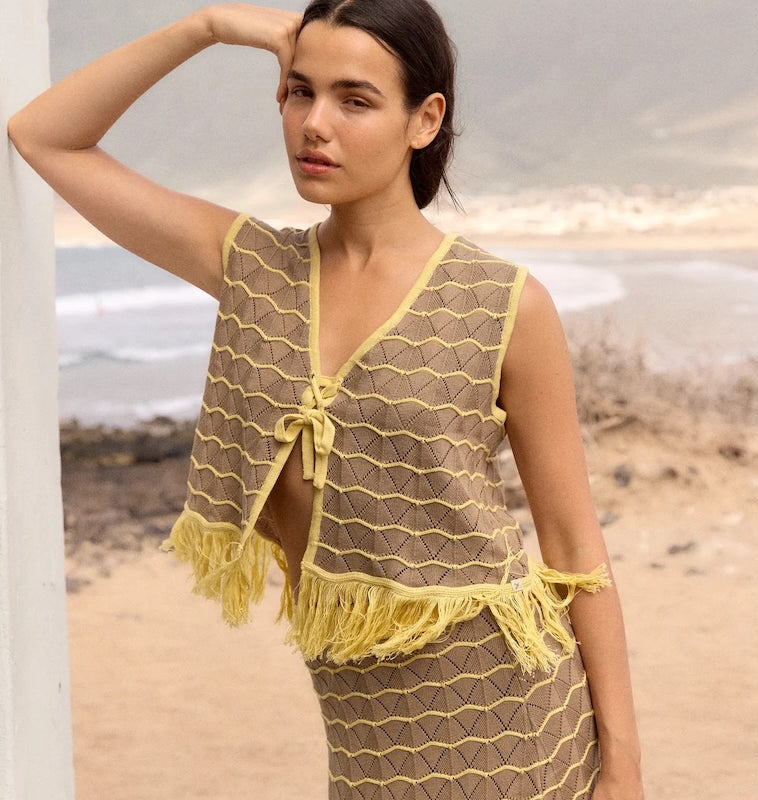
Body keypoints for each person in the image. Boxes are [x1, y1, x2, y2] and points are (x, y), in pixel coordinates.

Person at [8, 2, 644, 798]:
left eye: (355, 99)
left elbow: (577, 553)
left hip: (512, 718)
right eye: (299, 91)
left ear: (425, 119)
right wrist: (207, 28)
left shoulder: (507, 305)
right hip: (364, 739)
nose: (315, 124)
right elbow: (43, 136)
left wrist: (622, 772)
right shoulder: (253, 269)